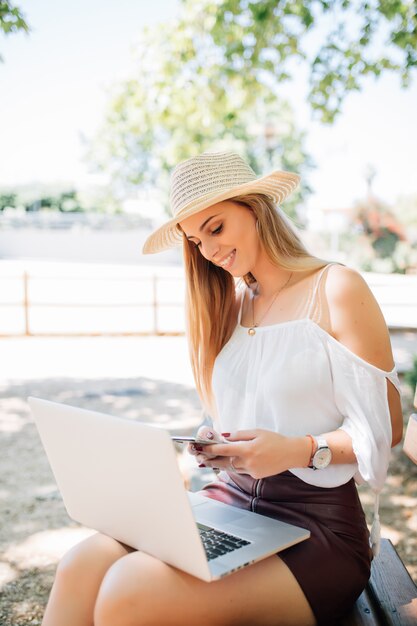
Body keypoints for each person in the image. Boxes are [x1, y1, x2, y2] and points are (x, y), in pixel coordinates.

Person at [41, 151, 403, 626]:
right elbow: (243, 412)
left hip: (317, 529)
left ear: (254, 208)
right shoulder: (229, 305)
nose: (208, 251)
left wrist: (299, 449)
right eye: (195, 240)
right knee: (80, 567)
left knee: (128, 590)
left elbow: (387, 429)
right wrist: (214, 440)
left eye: (216, 228)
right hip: (231, 503)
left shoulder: (335, 287)